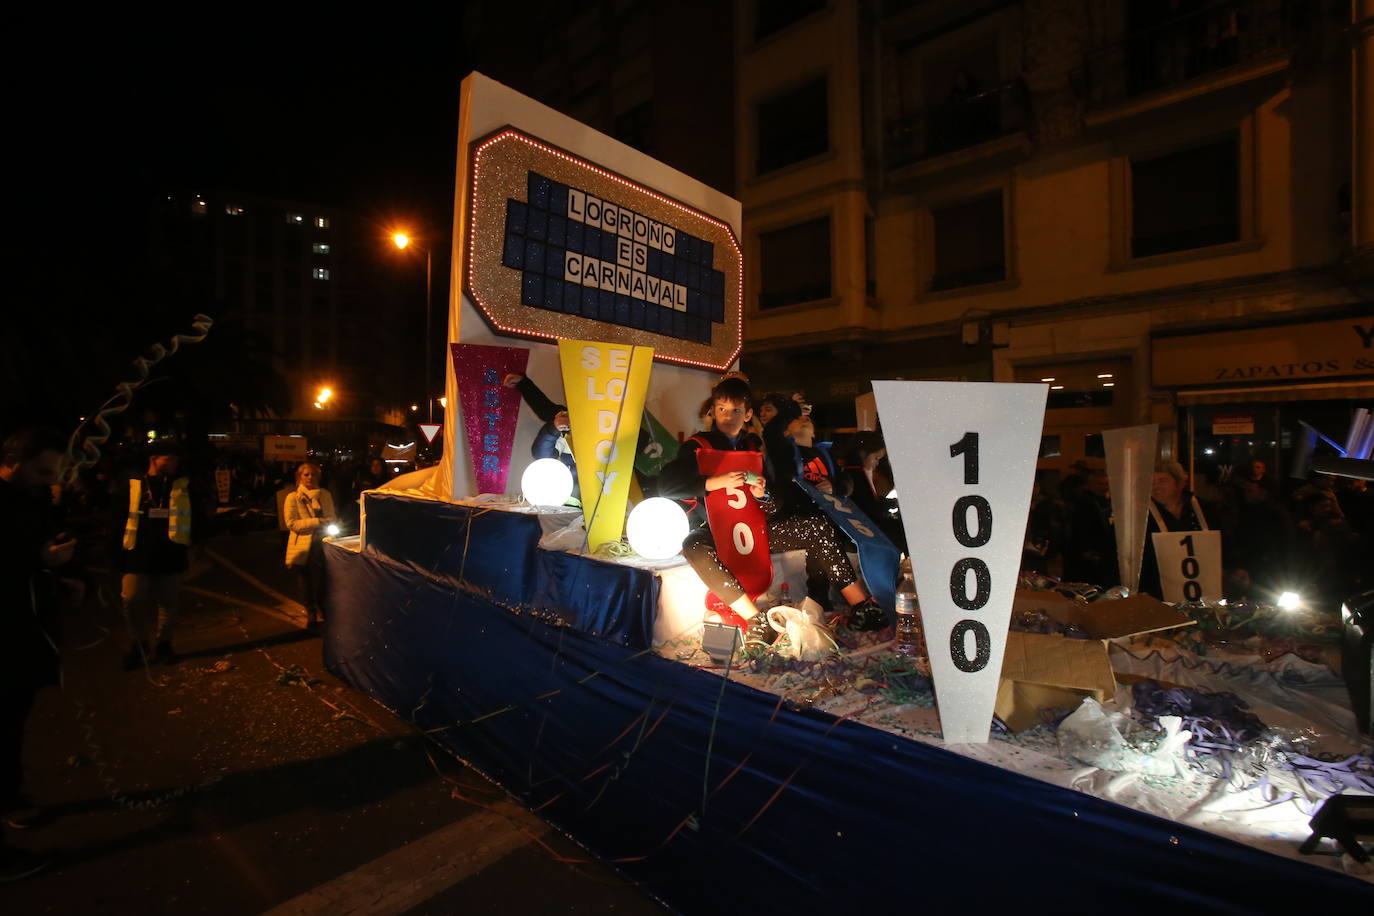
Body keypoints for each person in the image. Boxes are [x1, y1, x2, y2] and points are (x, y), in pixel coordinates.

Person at [657, 376, 887, 641]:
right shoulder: (698, 446)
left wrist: (763, 494)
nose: (728, 417)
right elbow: (667, 485)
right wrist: (711, 482)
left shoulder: (753, 447)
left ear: (748, 415)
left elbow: (773, 504)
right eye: (721, 409)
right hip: (718, 532)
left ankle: (862, 605)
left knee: (816, 526)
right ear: (713, 411)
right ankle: (754, 619)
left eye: (736, 411)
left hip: (754, 529)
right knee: (694, 545)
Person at [0, 428, 75, 881]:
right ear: (15, 459)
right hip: (6, 636)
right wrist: (41, 562)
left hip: (24, 634)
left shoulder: (31, 498)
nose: (51, 479)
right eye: (43, 470)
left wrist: (63, 577)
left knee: (13, 722)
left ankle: (10, 798)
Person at [117, 440, 193, 668]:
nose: (174, 463)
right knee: (131, 599)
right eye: (169, 458)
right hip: (138, 554)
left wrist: (195, 545)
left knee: (168, 602)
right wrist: (116, 554)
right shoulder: (133, 485)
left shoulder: (181, 484)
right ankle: (139, 644)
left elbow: (194, 516)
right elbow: (117, 518)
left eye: (176, 459)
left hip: (170, 552)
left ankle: (164, 645)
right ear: (154, 460)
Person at [1139, 460, 1212, 600]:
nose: (1156, 486)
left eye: (1162, 480)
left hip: (1203, 589)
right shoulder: (1141, 516)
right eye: (1151, 481)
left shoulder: (1202, 509)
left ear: (1180, 483)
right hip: (1157, 593)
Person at [283, 461, 336, 631]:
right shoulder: (293, 497)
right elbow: (291, 523)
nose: (310, 478)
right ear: (299, 477)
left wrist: (329, 523)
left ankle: (323, 608)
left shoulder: (325, 494)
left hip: (323, 542)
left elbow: (332, 517)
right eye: (306, 474)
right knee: (305, 581)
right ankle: (311, 612)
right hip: (304, 545)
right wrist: (317, 521)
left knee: (324, 579)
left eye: (313, 474)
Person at [1063, 468, 1119, 589]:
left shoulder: (1107, 502)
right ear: (1090, 485)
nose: (1104, 487)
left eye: (1106, 484)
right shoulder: (1083, 502)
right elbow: (1080, 529)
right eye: (1100, 484)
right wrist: (1087, 550)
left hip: (1101, 552)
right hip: (1086, 556)